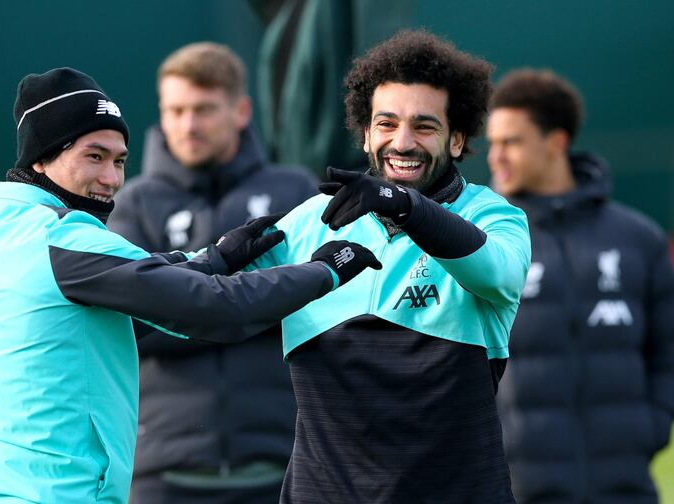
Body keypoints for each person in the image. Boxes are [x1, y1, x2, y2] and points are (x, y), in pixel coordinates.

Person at [0, 67, 381, 503]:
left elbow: (132, 291)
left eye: (119, 160)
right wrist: (325, 270)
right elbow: (214, 309)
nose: (112, 179)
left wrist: (215, 259)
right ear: (42, 157)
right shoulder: (63, 239)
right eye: (94, 156)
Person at [248, 30, 530, 503]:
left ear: (457, 140)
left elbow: (498, 272)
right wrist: (210, 261)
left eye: (424, 126)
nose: (403, 143)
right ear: (364, 134)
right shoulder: (310, 221)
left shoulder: (492, 216)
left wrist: (405, 206)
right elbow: (197, 305)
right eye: (386, 124)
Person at [108, 42, 318, 504]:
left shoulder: (294, 189)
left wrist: (189, 303)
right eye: (176, 109)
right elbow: (134, 324)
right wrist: (260, 300)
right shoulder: (131, 204)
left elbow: (314, 311)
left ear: (240, 111)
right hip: (163, 469)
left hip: (284, 460)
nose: (188, 124)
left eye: (203, 109)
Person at [487, 68, 674, 503]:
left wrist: (653, 425)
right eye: (492, 143)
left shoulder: (637, 238)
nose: (495, 156)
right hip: (520, 489)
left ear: (556, 142)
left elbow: (668, 347)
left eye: (511, 142)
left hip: (625, 487)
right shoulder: (483, 242)